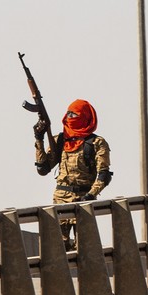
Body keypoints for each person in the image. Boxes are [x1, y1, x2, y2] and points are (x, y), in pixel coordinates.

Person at [33, 99, 113, 251]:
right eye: (68, 113)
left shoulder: (96, 143)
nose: (70, 117)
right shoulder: (61, 140)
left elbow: (104, 175)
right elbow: (43, 169)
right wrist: (39, 138)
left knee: (84, 250)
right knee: (57, 249)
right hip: (60, 201)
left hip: (83, 200)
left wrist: (91, 195)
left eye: (74, 114)